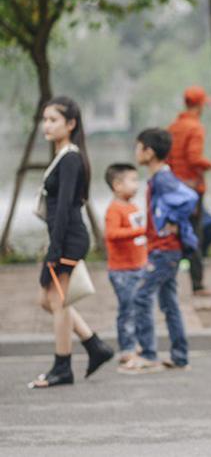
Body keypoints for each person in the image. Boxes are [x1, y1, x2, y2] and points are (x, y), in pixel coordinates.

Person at [29, 97, 114, 389]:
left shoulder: (70, 158)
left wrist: (54, 250)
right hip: (62, 238)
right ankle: (94, 345)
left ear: (71, 124)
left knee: (59, 302)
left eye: (53, 120)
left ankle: (62, 366)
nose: (47, 125)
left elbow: (65, 207)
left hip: (69, 238)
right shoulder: (62, 155)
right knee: (48, 300)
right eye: (45, 119)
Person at [123, 128, 196, 374]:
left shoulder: (163, 178)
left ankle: (149, 355)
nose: (136, 152)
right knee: (169, 302)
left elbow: (189, 199)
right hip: (164, 249)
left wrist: (169, 222)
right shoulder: (157, 178)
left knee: (141, 296)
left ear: (149, 151)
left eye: (138, 146)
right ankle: (179, 356)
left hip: (164, 251)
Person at [166, 86, 211, 297]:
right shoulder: (195, 128)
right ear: (200, 105)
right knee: (196, 235)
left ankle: (172, 279)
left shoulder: (173, 127)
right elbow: (194, 159)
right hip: (192, 191)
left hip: (173, 189)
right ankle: (198, 284)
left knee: (177, 234)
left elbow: (169, 159)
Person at [104, 163, 148, 366]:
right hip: (122, 271)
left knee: (139, 308)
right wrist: (141, 231)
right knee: (127, 309)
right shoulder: (115, 209)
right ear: (117, 185)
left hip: (139, 266)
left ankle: (136, 343)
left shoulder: (133, 206)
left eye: (137, 180)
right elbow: (112, 234)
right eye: (132, 180)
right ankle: (127, 348)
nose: (137, 185)